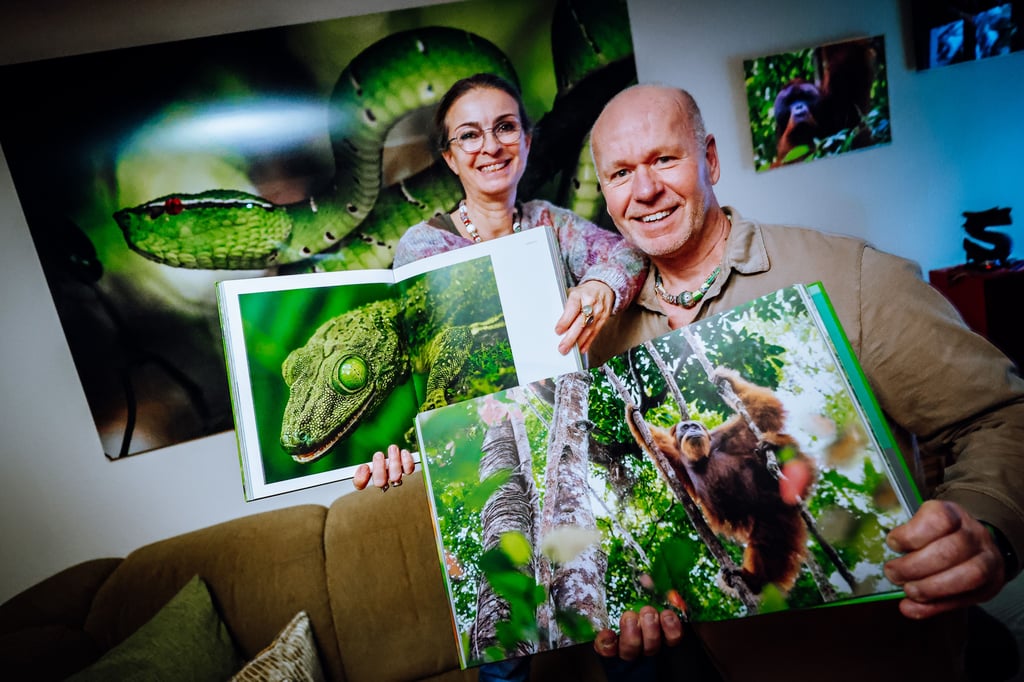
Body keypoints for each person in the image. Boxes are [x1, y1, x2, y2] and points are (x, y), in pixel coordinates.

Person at [585, 83, 1024, 680]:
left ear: (709, 159)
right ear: (606, 195)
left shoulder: (850, 275)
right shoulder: (606, 339)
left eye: (665, 159)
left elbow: (1000, 413)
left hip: (889, 657)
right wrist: (637, 605)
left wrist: (987, 524)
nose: (645, 190)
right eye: (620, 173)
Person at [353, 72, 647, 492]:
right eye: (469, 135)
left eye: (505, 127)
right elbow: (416, 370)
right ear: (450, 158)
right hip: (479, 460)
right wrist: (397, 447)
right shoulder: (423, 246)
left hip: (568, 440)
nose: (491, 146)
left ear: (526, 142)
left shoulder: (549, 221)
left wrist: (601, 285)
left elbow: (631, 251)